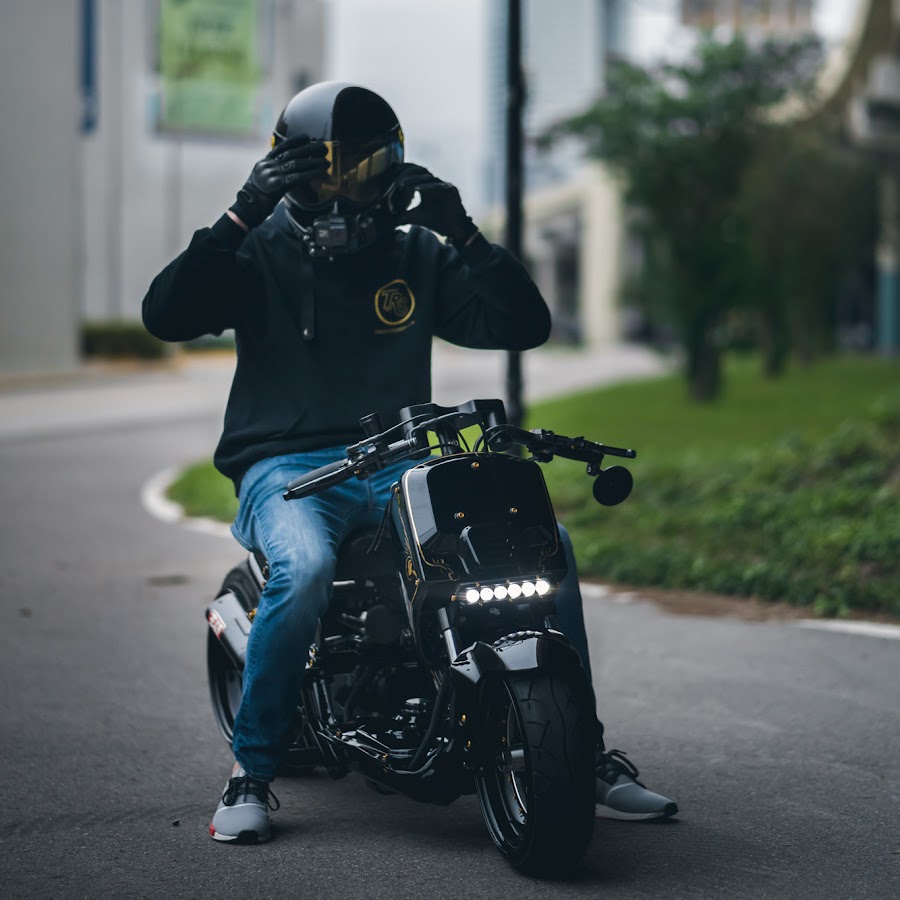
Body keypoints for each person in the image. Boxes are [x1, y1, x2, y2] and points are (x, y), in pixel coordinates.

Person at [142, 81, 678, 844]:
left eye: (363, 170)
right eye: (324, 173)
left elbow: (523, 324)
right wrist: (239, 214)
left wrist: (463, 232)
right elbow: (163, 315)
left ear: (394, 166)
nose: (344, 192)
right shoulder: (255, 250)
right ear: (286, 174)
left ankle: (582, 755)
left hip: (399, 459)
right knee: (305, 566)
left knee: (543, 544)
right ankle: (250, 771)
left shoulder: (415, 252)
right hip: (286, 464)